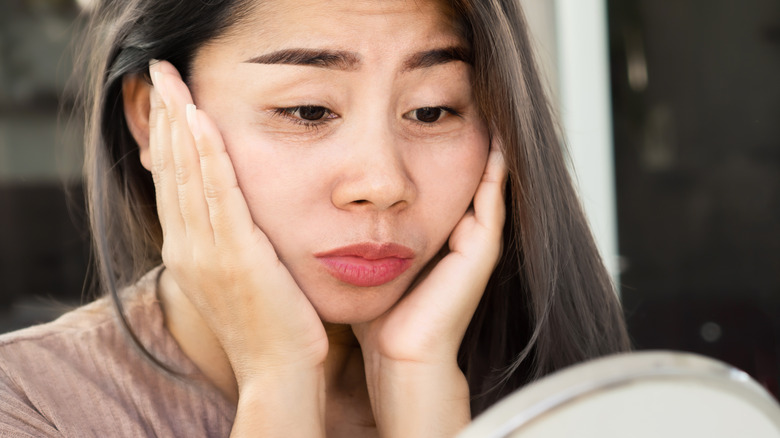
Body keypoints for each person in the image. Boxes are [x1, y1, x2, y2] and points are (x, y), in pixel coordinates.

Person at [0, 0, 630, 436]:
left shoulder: (587, 399)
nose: (382, 184)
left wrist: (422, 396)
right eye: (307, 111)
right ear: (151, 116)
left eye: (434, 111)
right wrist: (279, 382)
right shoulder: (30, 405)